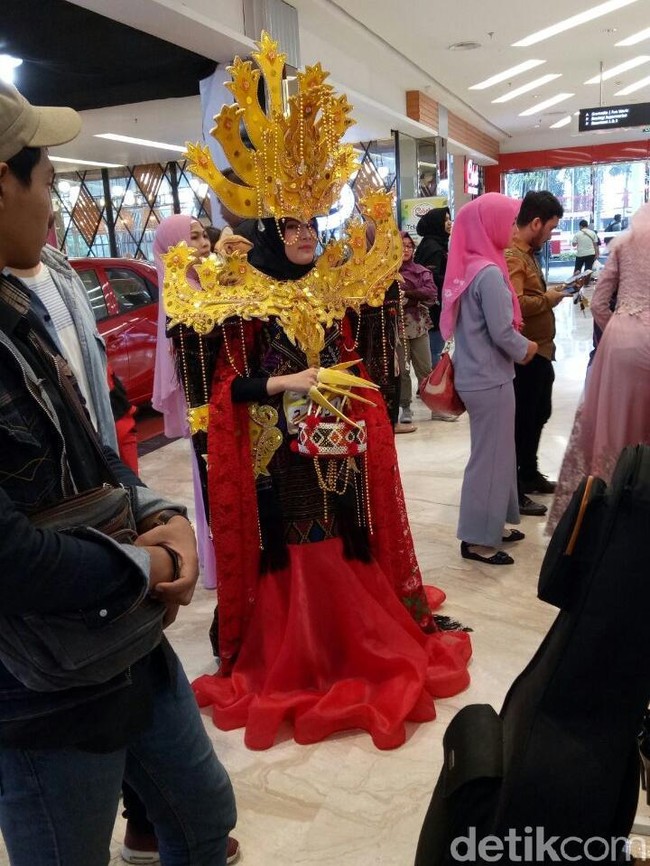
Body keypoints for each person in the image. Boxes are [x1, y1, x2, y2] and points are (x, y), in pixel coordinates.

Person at [164, 34, 472, 751]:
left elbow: (375, 340)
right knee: (299, 541)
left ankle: (355, 637)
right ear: (270, 226)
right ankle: (300, 649)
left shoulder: (337, 281)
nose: (305, 235)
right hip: (279, 455)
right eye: (292, 224)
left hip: (341, 441)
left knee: (346, 537)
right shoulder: (242, 292)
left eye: (311, 222)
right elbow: (225, 387)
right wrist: (285, 382)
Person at [0, 81, 236, 865]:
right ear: (3, 179)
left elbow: (93, 450)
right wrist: (152, 562)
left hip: (120, 635)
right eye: (49, 180)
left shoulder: (20, 309)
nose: (54, 202)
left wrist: (161, 511)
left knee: (203, 818)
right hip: (38, 686)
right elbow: (10, 558)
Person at [440, 193, 538, 566]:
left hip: (476, 374)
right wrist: (526, 348)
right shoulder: (491, 273)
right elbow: (502, 332)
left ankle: (493, 524)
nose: (515, 229)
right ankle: (477, 539)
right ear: (491, 225)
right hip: (490, 378)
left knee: (498, 456)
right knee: (489, 459)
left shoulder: (472, 265)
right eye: (511, 222)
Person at [547, 201, 650, 531]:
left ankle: (604, 510)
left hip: (620, 342)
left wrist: (617, 330)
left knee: (613, 425)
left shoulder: (623, 242)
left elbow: (599, 303)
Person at [152, 214, 218, 591]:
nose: (201, 243)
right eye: (191, 238)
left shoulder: (198, 281)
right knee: (210, 480)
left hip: (217, 400)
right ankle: (218, 561)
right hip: (205, 406)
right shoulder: (181, 294)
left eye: (200, 235)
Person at [505, 190, 567, 517]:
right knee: (524, 420)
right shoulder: (514, 255)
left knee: (539, 413)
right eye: (551, 229)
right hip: (525, 355)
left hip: (540, 352)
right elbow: (514, 305)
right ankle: (517, 482)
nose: (551, 235)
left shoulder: (527, 253)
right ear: (537, 222)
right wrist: (548, 299)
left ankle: (529, 473)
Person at [397, 231, 437, 428]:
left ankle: (435, 406)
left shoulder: (421, 271)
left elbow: (431, 292)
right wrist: (416, 296)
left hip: (418, 325)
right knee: (403, 370)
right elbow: (391, 297)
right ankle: (405, 406)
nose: (406, 249)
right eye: (402, 245)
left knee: (425, 368)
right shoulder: (387, 272)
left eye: (409, 246)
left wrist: (410, 295)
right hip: (396, 327)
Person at [414, 207, 452, 367]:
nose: (449, 223)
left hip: (430, 307)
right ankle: (433, 386)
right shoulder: (434, 248)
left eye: (449, 219)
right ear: (436, 224)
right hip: (434, 309)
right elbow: (432, 279)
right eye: (445, 220)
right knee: (434, 350)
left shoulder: (433, 244)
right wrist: (454, 279)